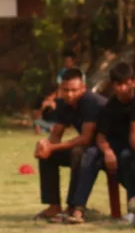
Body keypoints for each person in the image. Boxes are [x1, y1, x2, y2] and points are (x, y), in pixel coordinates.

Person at [69, 62, 135, 224]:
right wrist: (107, 152)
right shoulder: (110, 106)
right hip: (114, 145)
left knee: (126, 158)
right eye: (119, 85)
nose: (123, 88)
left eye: (127, 83)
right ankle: (78, 208)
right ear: (113, 85)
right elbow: (101, 136)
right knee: (90, 154)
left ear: (133, 82)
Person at [33, 67, 107, 223]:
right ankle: (53, 206)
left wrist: (52, 147)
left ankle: (73, 206)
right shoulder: (63, 104)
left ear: (83, 88)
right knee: (48, 155)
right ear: (60, 89)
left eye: (74, 90)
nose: (69, 94)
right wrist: (45, 146)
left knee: (78, 152)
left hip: (105, 148)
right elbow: (56, 134)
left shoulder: (91, 102)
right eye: (65, 90)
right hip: (87, 148)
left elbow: (86, 138)